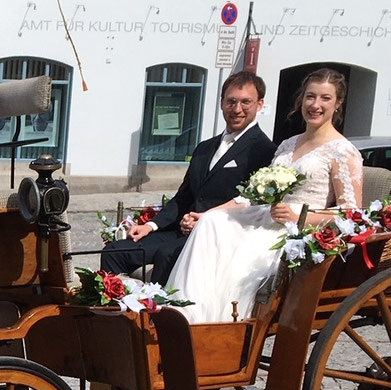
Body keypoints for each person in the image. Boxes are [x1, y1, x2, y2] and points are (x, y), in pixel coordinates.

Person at [165, 67, 364, 322]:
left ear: (338, 103)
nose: (315, 105)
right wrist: (206, 214)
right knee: (211, 224)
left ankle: (226, 326)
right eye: (310, 96)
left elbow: (351, 213)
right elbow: (252, 196)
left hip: (299, 229)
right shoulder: (288, 144)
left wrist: (298, 217)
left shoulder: (343, 151)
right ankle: (187, 315)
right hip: (266, 216)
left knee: (240, 259)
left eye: (325, 98)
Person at [101, 71, 275, 283]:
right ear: (221, 103)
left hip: (220, 237)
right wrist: (150, 226)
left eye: (245, 102)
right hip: (182, 232)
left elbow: (253, 206)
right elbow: (183, 198)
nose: (237, 109)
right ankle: (116, 304)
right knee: (114, 252)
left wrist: (204, 221)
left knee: (168, 256)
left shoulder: (265, 151)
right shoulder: (204, 148)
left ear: (259, 104)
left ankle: (156, 305)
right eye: (231, 102)